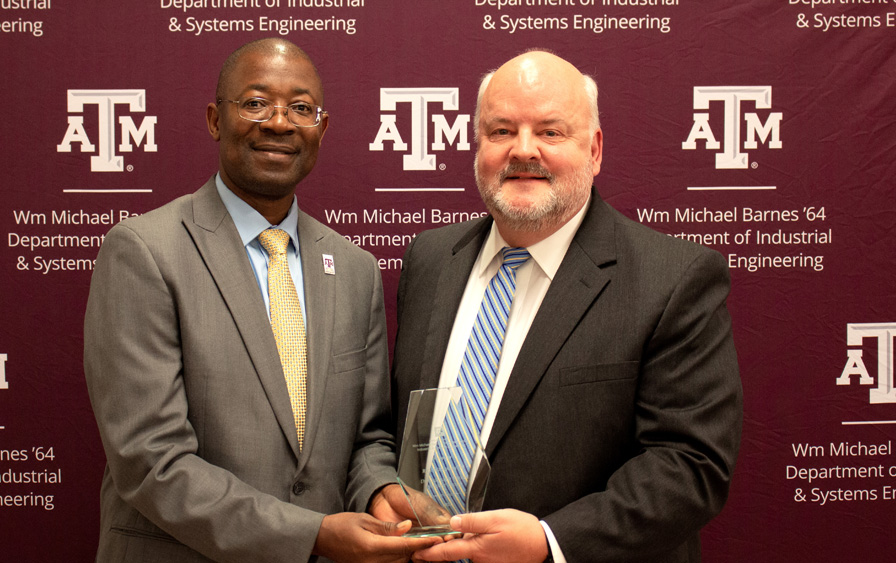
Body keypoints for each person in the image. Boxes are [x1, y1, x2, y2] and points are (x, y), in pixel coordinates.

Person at [84, 38, 436, 563]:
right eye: (254, 103)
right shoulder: (145, 252)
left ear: (322, 128)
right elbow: (150, 461)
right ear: (213, 119)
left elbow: (366, 440)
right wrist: (311, 535)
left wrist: (381, 490)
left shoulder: (354, 270)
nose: (279, 123)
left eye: (301, 108)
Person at [391, 50, 743, 563]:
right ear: (476, 144)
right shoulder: (429, 258)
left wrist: (549, 542)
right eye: (501, 131)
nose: (523, 151)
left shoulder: (674, 279)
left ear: (595, 150)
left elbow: (691, 465)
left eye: (551, 132)